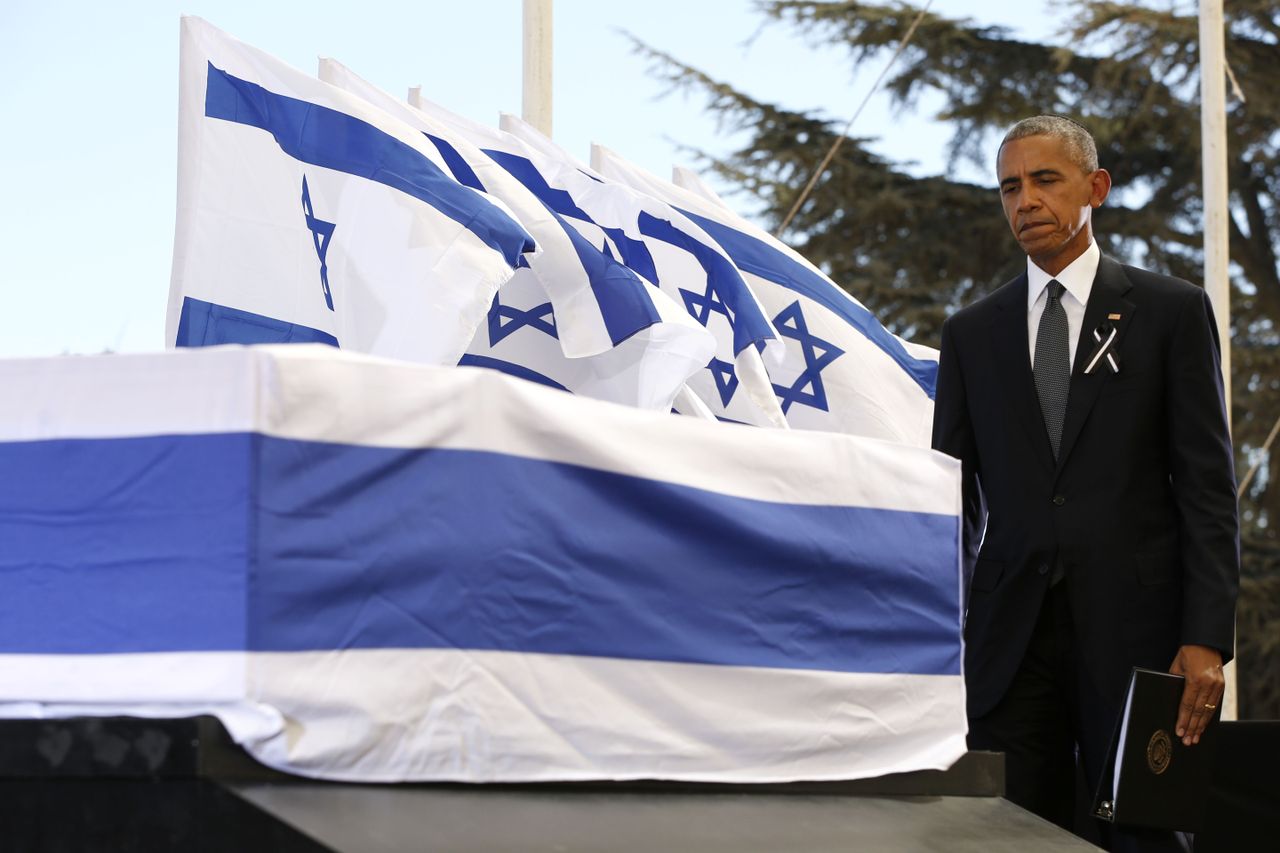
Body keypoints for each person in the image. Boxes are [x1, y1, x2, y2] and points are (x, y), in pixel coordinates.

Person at [931, 115, 1239, 851]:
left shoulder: (1169, 311)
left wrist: (1206, 638)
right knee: (1008, 836)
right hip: (1009, 645)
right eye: (1010, 186)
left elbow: (1206, 487)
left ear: (1094, 187)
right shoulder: (970, 333)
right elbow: (948, 499)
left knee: (1143, 834)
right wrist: (943, 634)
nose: (1025, 201)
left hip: (1141, 641)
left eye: (1044, 180)